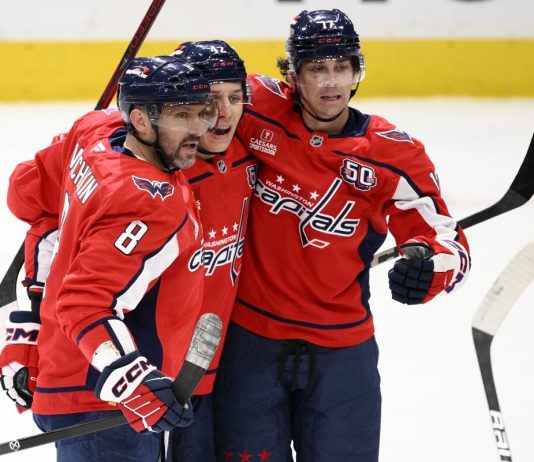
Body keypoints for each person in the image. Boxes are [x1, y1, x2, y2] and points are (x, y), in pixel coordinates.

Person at [212, 9, 471, 462]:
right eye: (317, 68)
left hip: (341, 353)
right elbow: (181, 100)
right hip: (249, 343)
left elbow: (449, 243)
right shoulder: (255, 108)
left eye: (341, 67)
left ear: (356, 71)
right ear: (292, 75)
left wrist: (430, 268)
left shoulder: (392, 154)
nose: (331, 82)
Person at [0, 56, 218, 461]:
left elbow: (30, 199)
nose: (197, 130)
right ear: (139, 120)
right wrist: (133, 382)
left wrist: (27, 329)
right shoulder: (147, 203)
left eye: (200, 114)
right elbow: (85, 304)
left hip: (65, 375)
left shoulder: (94, 131)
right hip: (104, 404)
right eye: (181, 116)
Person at [167, 41, 257, 462]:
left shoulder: (248, 154)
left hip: (225, 362)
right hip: (160, 371)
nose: (224, 112)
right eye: (209, 100)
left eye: (235, 97)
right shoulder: (156, 172)